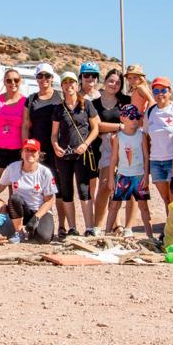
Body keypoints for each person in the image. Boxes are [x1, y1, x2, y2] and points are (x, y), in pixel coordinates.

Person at [51, 71, 99, 237]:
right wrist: (55, 146)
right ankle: (72, 227)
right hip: (64, 155)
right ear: (62, 86)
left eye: (72, 82)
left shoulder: (86, 105)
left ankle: (89, 228)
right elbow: (54, 133)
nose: (69, 85)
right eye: (65, 83)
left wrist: (86, 144)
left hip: (82, 154)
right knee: (66, 190)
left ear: (76, 85)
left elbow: (96, 128)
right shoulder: (59, 108)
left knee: (84, 189)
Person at [105, 105, 156, 242]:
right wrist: (111, 177)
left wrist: (146, 175)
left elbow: (146, 156)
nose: (135, 120)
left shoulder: (142, 136)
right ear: (122, 118)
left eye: (137, 117)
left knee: (143, 206)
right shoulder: (117, 137)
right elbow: (114, 158)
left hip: (139, 176)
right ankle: (106, 234)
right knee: (115, 205)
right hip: (122, 176)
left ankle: (150, 236)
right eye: (131, 117)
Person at [22, 63, 63, 230]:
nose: (43, 79)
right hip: (36, 149)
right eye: (40, 76)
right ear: (36, 78)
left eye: (47, 76)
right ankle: (35, 222)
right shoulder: (31, 99)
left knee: (58, 188)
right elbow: (25, 125)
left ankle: (62, 226)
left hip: (55, 148)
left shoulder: (59, 98)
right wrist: (24, 148)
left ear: (52, 78)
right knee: (36, 186)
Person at [0, 139, 57, 244]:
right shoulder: (13, 167)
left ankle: (33, 230)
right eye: (27, 150)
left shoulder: (45, 172)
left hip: (40, 210)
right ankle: (18, 231)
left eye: (33, 151)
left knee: (44, 238)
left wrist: (36, 218)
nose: (30, 153)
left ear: (39, 154)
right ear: (22, 153)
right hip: (20, 210)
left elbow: (50, 201)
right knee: (14, 198)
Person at [92, 68, 130, 233]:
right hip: (106, 148)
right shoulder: (94, 104)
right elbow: (97, 126)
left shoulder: (125, 101)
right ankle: (97, 226)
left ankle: (118, 225)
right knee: (105, 186)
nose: (114, 84)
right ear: (105, 81)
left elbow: (134, 121)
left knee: (124, 187)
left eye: (118, 82)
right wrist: (120, 126)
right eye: (111, 80)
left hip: (126, 146)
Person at [143, 76, 173, 216]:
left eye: (163, 90)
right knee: (166, 199)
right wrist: (146, 162)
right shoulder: (150, 112)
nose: (160, 94)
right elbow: (145, 136)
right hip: (156, 162)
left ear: (169, 91)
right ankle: (169, 229)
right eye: (156, 91)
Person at [0, 68, 27, 186]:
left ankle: (11, 205)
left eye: (16, 80)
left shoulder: (26, 102)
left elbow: (25, 127)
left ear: (20, 81)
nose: (13, 83)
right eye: (9, 80)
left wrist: (25, 150)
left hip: (17, 151)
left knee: (16, 189)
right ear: (4, 82)